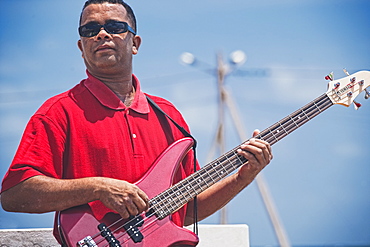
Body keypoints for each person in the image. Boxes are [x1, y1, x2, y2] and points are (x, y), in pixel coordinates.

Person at [0, 0, 273, 245]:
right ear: (81, 47)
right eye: (89, 30)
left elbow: (186, 210)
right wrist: (98, 187)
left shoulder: (169, 117)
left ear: (135, 43)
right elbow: (14, 194)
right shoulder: (58, 112)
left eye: (115, 26)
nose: (102, 34)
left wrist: (242, 177)